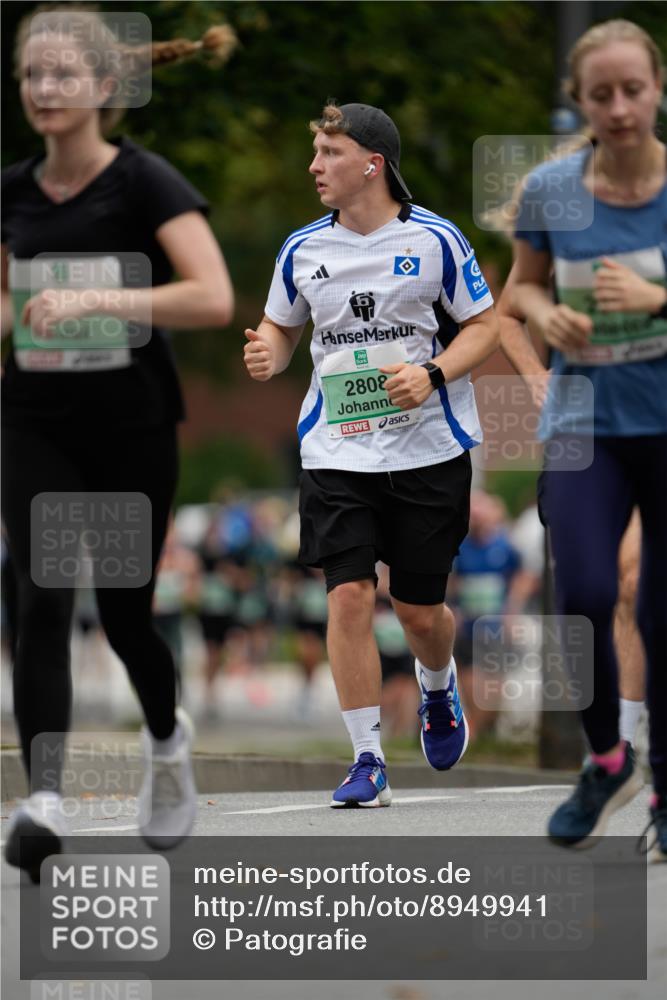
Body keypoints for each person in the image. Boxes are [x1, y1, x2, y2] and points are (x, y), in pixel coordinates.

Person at [1, 7, 235, 878]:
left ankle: (168, 743)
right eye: (32, 74)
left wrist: (102, 302)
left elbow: (211, 297)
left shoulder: (145, 183)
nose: (44, 89)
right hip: (36, 420)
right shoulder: (13, 192)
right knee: (41, 599)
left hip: (132, 424)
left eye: (62, 74)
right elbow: (9, 303)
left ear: (105, 87)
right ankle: (44, 798)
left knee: (130, 615)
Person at [244, 101, 498, 808]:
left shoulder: (436, 239)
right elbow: (280, 324)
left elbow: (486, 326)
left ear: (371, 163)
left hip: (427, 450)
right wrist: (269, 349)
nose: (314, 165)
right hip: (336, 450)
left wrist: (435, 373)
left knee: (419, 612)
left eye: (328, 152)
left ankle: (437, 688)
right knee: (349, 594)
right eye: (315, 151)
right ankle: (365, 757)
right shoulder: (302, 249)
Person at [507, 19, 666, 857]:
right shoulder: (551, 191)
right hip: (582, 424)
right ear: (579, 102)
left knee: (661, 609)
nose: (617, 107)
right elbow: (516, 295)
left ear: (657, 87)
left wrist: (658, 302)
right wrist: (547, 315)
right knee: (583, 596)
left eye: (631, 89)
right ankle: (606, 758)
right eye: (599, 94)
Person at [498, 268, 646, 748]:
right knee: (593, 587)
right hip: (581, 433)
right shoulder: (560, 218)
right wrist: (536, 377)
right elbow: (506, 313)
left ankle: (624, 734)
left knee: (634, 575)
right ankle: (616, 745)